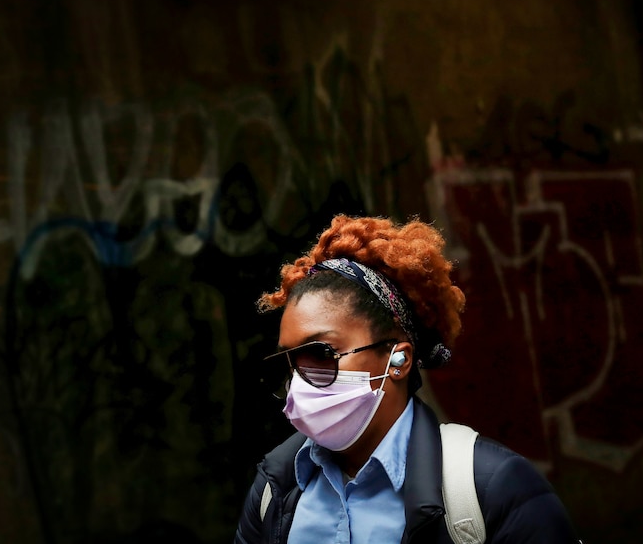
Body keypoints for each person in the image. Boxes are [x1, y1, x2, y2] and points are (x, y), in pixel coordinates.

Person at [234, 214, 579, 544]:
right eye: (290, 364)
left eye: (321, 355)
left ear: (398, 360)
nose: (299, 384)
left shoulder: (491, 488)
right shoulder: (274, 489)